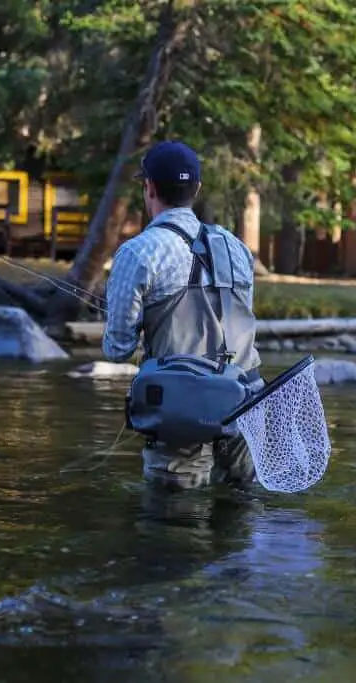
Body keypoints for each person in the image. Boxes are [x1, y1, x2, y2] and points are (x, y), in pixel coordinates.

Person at [101, 140, 264, 490]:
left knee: (173, 528)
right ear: (197, 189)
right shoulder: (238, 248)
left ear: (149, 188)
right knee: (238, 521)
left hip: (181, 416)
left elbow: (117, 349)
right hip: (246, 407)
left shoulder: (138, 253)